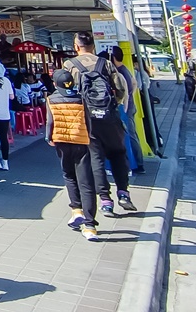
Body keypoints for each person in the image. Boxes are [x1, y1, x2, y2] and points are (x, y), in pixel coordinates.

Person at [63, 32, 134, 216]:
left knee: (96, 158)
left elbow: (65, 93)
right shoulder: (106, 63)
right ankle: (123, 193)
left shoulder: (69, 65)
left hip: (86, 118)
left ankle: (105, 200)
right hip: (109, 116)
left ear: (76, 46)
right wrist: (113, 104)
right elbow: (121, 88)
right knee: (118, 153)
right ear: (93, 46)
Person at [44, 68, 100, 241]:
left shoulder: (51, 99)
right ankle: (90, 226)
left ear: (55, 84)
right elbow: (88, 121)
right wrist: (88, 136)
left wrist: (48, 138)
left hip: (61, 141)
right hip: (80, 141)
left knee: (68, 175)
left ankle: (76, 210)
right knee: (86, 182)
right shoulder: (80, 98)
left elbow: (50, 122)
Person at [111, 46, 145, 175]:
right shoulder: (125, 69)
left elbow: (125, 92)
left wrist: (125, 104)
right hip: (130, 106)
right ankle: (137, 162)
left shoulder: (120, 72)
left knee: (130, 135)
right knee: (131, 134)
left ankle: (138, 164)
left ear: (113, 58)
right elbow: (134, 84)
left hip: (127, 107)